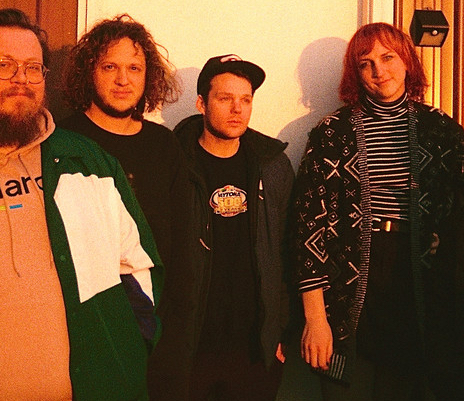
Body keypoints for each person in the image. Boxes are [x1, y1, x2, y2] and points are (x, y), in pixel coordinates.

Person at [292, 22, 464, 400]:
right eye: (366, 63)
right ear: (355, 74)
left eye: (388, 57)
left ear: (407, 60)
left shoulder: (436, 127)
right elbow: (307, 227)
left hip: (418, 276)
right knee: (345, 387)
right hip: (347, 283)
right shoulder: (332, 132)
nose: (379, 70)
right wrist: (315, 318)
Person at [0, 8, 162, 400]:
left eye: (33, 68)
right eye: (4, 65)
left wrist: (131, 347)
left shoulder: (88, 161)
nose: (21, 79)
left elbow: (137, 265)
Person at [147, 54, 294, 401]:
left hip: (253, 349)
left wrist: (281, 330)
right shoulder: (173, 163)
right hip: (191, 346)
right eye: (225, 98)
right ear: (201, 103)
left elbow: (289, 250)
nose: (237, 109)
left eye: (246, 100)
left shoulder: (272, 166)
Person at [59, 14, 180, 273]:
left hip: (155, 295)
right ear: (89, 72)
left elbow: (184, 239)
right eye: (110, 67)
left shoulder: (164, 144)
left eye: (134, 68)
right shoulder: (62, 141)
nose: (123, 80)